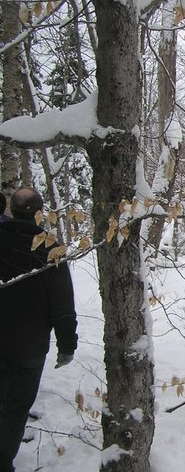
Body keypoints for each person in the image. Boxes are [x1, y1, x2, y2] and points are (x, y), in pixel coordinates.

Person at [0, 188, 78, 472]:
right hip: (28, 348)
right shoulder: (50, 247)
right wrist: (67, 344)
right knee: (15, 408)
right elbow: (62, 302)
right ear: (38, 213)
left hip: (23, 345)